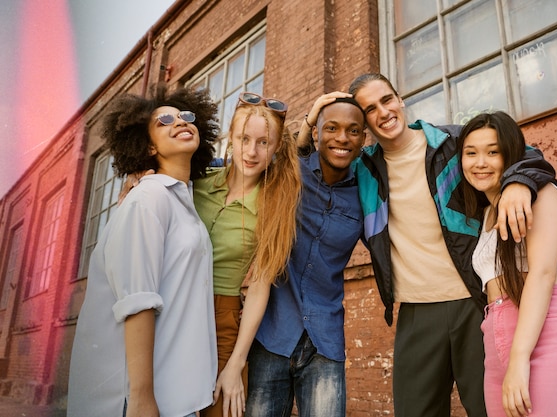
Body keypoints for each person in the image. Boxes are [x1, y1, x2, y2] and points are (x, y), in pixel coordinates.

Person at [347, 73, 557, 417]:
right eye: (370, 109)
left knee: (490, 408)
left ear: (399, 99)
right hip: (416, 309)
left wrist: (519, 182)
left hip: (476, 301)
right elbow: (312, 168)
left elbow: (526, 152)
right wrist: (314, 117)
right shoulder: (362, 170)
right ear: (364, 121)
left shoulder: (452, 142)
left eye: (386, 100)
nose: (383, 112)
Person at [67, 85, 220, 417]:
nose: (179, 122)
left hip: (176, 394)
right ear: (148, 145)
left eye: (186, 117)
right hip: (140, 399)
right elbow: (137, 301)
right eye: (164, 120)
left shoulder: (182, 202)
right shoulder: (149, 198)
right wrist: (141, 398)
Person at [458, 111, 557, 417]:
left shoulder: (542, 194)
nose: (480, 162)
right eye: (470, 153)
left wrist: (519, 357)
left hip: (551, 327)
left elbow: (542, 273)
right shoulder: (486, 215)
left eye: (492, 152)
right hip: (497, 337)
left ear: (512, 153)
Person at [240, 94, 366, 417]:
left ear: (363, 139)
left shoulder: (367, 193)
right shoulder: (289, 172)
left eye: (353, 131)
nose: (341, 138)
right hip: (272, 334)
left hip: (325, 341)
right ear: (316, 133)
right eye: (331, 128)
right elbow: (246, 164)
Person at [196, 92, 302, 417]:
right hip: (172, 311)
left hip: (223, 318)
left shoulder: (274, 207)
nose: (251, 151)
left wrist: (235, 363)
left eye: (263, 143)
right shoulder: (195, 186)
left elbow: (259, 286)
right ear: (232, 137)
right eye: (244, 139)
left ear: (275, 150)